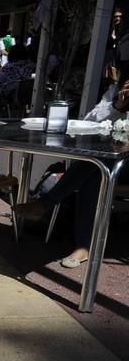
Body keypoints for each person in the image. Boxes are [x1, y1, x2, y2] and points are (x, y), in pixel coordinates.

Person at [15, 78, 129, 268]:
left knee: (96, 166)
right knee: (95, 169)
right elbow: (89, 122)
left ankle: (46, 205)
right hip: (113, 161)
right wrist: (117, 105)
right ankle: (83, 245)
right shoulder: (115, 91)